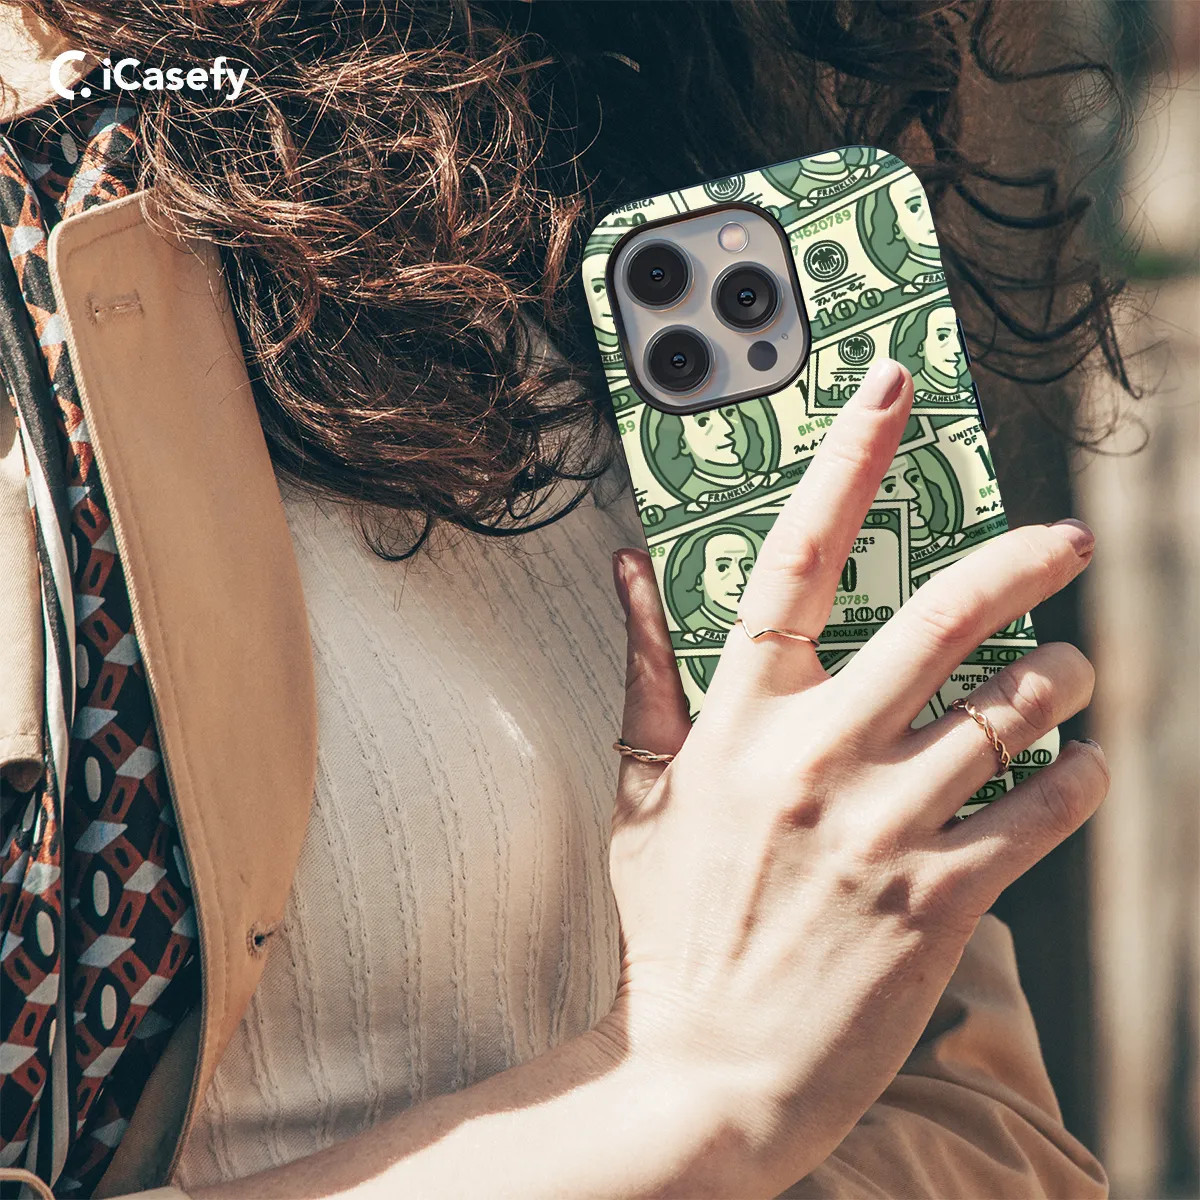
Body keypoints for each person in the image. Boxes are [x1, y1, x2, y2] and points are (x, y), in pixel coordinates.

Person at [0, 2, 1125, 1197]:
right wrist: (686, 1088)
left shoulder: (620, 180)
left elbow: (991, 1138)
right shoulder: (46, 258)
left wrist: (738, 1091)